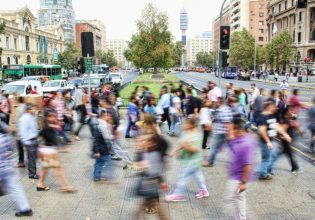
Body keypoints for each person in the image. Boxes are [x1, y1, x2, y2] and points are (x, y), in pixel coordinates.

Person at [165, 117, 209, 202]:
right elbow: (181, 144)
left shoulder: (196, 136)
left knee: (183, 178)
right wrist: (174, 151)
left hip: (192, 162)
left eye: (185, 124)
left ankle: (178, 195)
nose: (183, 125)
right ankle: (204, 191)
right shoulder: (185, 133)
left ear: (191, 125)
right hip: (190, 161)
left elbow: (196, 150)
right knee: (198, 175)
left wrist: (187, 146)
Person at [225, 114, 256, 220]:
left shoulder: (245, 143)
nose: (231, 132)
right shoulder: (240, 138)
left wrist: (243, 183)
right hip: (236, 176)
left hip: (238, 179)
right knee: (239, 200)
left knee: (231, 200)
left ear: (238, 129)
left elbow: (248, 165)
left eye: (233, 129)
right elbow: (230, 139)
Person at [0, 120, 33, 217]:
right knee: (16, 188)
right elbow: (11, 149)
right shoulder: (5, 136)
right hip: (9, 166)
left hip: (2, 168)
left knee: (15, 187)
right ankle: (26, 208)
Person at [38, 111, 77, 192]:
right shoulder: (47, 129)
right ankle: (65, 186)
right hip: (49, 152)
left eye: (54, 116)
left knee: (45, 169)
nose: (54, 118)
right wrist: (63, 149)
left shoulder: (50, 127)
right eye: (51, 116)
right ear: (47, 118)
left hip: (47, 151)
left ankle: (40, 184)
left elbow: (40, 138)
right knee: (59, 169)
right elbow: (51, 141)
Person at [256, 98, 291, 180]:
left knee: (272, 156)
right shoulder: (263, 116)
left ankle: (263, 170)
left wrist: (285, 134)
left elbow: (276, 125)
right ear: (270, 106)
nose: (277, 108)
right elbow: (262, 130)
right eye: (275, 106)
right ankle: (263, 174)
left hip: (271, 140)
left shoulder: (271, 115)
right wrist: (268, 141)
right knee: (266, 159)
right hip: (265, 142)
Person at [204, 97, 233, 166]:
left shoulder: (223, 110)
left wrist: (230, 133)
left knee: (214, 147)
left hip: (221, 132)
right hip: (222, 132)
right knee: (231, 147)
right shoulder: (225, 109)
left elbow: (227, 123)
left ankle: (210, 162)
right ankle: (240, 161)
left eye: (216, 102)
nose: (215, 103)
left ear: (220, 102)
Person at [17, 104, 39, 179]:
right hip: (29, 141)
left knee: (33, 157)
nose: (34, 110)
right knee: (31, 158)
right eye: (33, 109)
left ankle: (32, 172)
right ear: (28, 110)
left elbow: (34, 127)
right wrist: (26, 142)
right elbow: (22, 131)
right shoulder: (24, 119)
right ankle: (32, 174)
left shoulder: (32, 116)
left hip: (34, 139)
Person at [93, 109, 114, 181]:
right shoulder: (102, 126)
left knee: (99, 163)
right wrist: (97, 151)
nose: (107, 117)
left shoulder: (100, 124)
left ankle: (97, 176)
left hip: (101, 148)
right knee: (108, 162)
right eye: (106, 116)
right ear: (103, 116)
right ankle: (106, 176)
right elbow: (97, 140)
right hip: (103, 148)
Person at [16, 97, 26, 168]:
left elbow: (18, 121)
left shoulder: (19, 109)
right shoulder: (26, 107)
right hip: (27, 131)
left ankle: (21, 162)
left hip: (21, 131)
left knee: (20, 147)